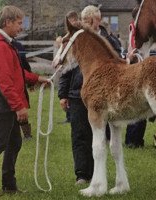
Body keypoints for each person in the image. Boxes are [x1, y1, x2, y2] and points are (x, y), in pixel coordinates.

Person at [0, 5, 48, 197]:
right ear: (8, 22)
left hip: (3, 103)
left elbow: (15, 73)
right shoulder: (0, 46)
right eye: (19, 23)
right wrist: (19, 107)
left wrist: (36, 78)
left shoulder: (4, 43)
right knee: (0, 142)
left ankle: (9, 185)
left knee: (14, 142)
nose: (21, 27)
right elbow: (5, 82)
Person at [58, 6, 121, 185]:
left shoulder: (110, 41)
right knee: (79, 135)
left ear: (97, 20)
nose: (85, 24)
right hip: (77, 94)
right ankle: (82, 175)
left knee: (100, 135)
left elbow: (120, 63)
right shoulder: (77, 40)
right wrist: (63, 94)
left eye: (88, 20)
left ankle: (97, 174)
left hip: (103, 96)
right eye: (83, 20)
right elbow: (66, 69)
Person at [124, 7, 147, 148]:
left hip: (139, 68)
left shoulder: (136, 30)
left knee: (142, 107)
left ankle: (137, 139)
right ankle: (132, 140)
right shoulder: (135, 30)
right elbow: (133, 49)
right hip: (137, 69)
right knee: (137, 106)